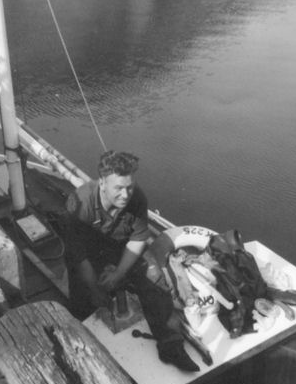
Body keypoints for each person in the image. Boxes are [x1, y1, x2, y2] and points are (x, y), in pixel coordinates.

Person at [64, 150, 199, 372]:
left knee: (153, 275)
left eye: (129, 187)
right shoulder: (80, 204)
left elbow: (138, 240)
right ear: (102, 184)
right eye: (118, 188)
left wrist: (118, 273)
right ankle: (84, 350)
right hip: (86, 256)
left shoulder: (136, 198)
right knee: (83, 301)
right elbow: (78, 256)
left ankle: (170, 345)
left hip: (121, 249)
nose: (125, 195)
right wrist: (95, 288)